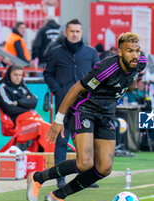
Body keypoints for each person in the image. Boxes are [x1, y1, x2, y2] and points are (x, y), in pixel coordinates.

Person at [26, 32, 146, 201]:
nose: (135, 55)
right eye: (129, 51)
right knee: (85, 163)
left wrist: (128, 83)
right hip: (85, 110)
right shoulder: (106, 69)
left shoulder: (140, 63)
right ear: (120, 53)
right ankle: (37, 178)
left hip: (106, 114)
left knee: (104, 168)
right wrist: (58, 120)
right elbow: (76, 88)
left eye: (137, 51)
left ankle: (59, 195)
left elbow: (131, 84)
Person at [44, 19, 100, 188]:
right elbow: (48, 75)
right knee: (61, 141)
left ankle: (86, 178)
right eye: (72, 31)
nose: (74, 34)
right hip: (64, 105)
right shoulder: (55, 53)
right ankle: (60, 179)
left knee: (86, 142)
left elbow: (99, 76)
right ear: (66, 33)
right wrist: (58, 90)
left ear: (81, 33)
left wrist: (91, 92)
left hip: (85, 105)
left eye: (77, 31)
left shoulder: (90, 53)